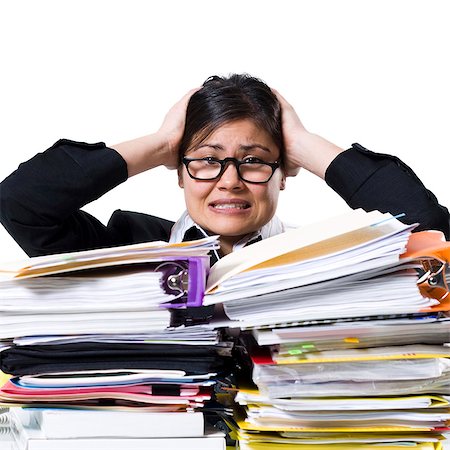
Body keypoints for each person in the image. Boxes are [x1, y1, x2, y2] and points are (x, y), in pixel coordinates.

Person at [0, 74, 449, 261]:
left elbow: (431, 232)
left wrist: (305, 144)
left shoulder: (321, 258)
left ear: (285, 171)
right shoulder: (122, 250)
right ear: (178, 170)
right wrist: (160, 143)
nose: (229, 181)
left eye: (253, 160)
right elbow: (20, 202)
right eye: (208, 161)